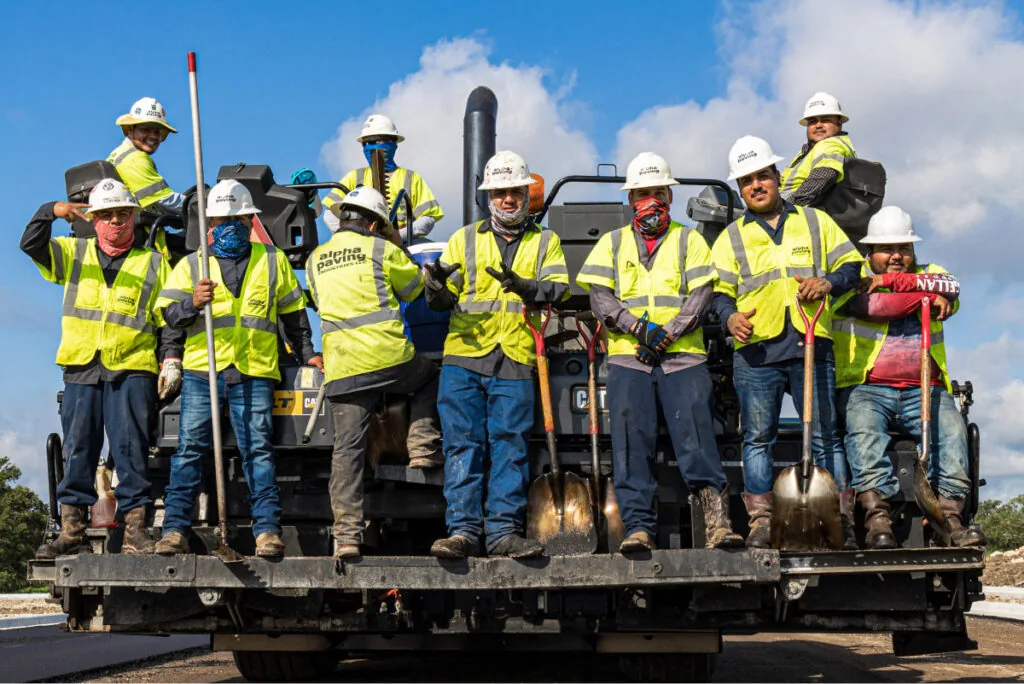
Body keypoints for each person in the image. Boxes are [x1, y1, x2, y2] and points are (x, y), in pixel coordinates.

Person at [575, 153, 743, 553]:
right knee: (632, 445)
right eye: (642, 193)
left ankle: (717, 525)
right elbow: (599, 296)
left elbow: (702, 295)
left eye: (657, 192)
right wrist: (637, 328)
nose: (650, 200)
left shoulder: (690, 240)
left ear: (669, 194)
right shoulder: (611, 243)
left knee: (698, 440)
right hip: (628, 359)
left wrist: (665, 336)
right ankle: (638, 529)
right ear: (631, 198)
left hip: (683, 358)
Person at [153, 180, 322, 558]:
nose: (230, 224)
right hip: (202, 372)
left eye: (237, 218)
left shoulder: (273, 260)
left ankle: (266, 532)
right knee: (189, 451)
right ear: (210, 222)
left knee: (258, 452)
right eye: (222, 218)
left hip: (254, 372)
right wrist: (192, 304)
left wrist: (309, 354)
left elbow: (294, 316)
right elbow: (167, 317)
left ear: (250, 220)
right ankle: (175, 529)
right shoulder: (192, 264)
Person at [711, 136, 863, 549]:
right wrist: (730, 317)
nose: (756, 185)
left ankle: (839, 518)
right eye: (747, 181)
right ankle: (761, 520)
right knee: (758, 437)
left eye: (762, 176)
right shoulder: (730, 237)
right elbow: (719, 293)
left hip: (811, 342)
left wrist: (827, 281)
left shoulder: (815, 222)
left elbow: (853, 266)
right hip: (757, 352)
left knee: (826, 436)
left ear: (777, 177)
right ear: (740, 189)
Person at [424, 151, 569, 559]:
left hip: (517, 356)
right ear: (488, 197)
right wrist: (434, 289)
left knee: (510, 445)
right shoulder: (463, 239)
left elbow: (559, 288)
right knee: (462, 445)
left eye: (515, 192)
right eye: (501, 192)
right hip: (464, 358)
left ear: (526, 195)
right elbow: (441, 300)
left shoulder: (545, 241)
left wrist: (526, 287)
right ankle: (464, 532)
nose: (508, 199)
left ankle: (504, 532)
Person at [24, 179, 180, 558]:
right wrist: (51, 211)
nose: (116, 221)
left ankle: (135, 532)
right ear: (93, 219)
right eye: (107, 215)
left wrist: (171, 358)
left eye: (123, 214)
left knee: (131, 452)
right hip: (82, 368)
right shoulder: (72, 254)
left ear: (134, 217)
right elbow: (30, 244)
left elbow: (169, 320)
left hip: (132, 368)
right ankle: (72, 532)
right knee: (78, 450)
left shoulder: (155, 264)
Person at [833, 207, 985, 548]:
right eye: (887, 249)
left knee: (952, 429)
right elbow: (872, 307)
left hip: (925, 388)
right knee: (862, 430)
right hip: (867, 388)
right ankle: (877, 519)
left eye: (905, 248)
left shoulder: (934, 273)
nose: (897, 256)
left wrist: (891, 283)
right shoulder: (850, 276)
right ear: (869, 252)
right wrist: (924, 298)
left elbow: (952, 286)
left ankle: (949, 519)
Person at [306, 187, 443, 560]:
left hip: (344, 369)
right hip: (389, 359)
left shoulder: (315, 259)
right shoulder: (381, 250)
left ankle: (347, 537)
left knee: (347, 452)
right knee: (431, 375)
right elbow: (415, 290)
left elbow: (321, 302)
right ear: (373, 224)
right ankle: (421, 447)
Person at [321, 114, 444, 241]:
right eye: (365, 144)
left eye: (374, 141)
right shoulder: (354, 177)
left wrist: (397, 236)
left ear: (393, 143)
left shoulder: (411, 179)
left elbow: (427, 219)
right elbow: (330, 214)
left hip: (402, 247)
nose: (369, 147)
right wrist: (353, 237)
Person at [108, 97, 186, 216]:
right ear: (130, 130)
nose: (153, 136)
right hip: (139, 233)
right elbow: (165, 200)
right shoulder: (135, 159)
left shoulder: (118, 154)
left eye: (157, 132)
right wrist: (203, 203)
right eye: (145, 130)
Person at [779, 92, 856, 207]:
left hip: (799, 214)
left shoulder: (832, 145)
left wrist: (782, 210)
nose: (818, 125)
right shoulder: (807, 152)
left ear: (839, 122)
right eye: (813, 121)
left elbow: (821, 178)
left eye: (825, 120)